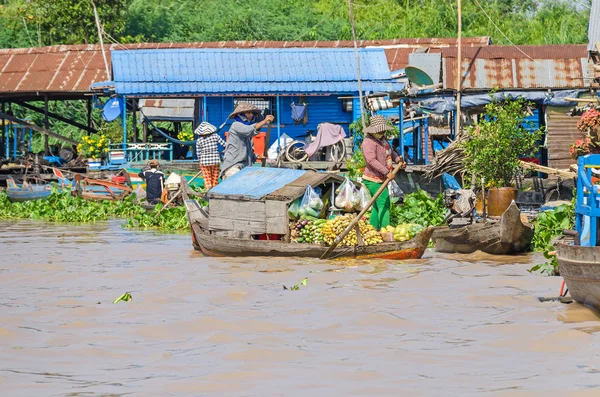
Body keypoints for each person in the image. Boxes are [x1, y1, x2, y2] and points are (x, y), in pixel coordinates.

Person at [362, 115, 406, 230]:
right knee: (384, 204)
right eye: (381, 130)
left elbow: (391, 153)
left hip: (382, 178)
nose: (383, 131)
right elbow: (371, 160)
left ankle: (372, 230)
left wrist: (398, 160)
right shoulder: (368, 142)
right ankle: (386, 230)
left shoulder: (383, 140)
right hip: (372, 179)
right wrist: (387, 172)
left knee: (377, 206)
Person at [221, 102, 274, 180]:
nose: (251, 115)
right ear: (241, 114)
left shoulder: (248, 136)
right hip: (233, 166)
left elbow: (248, 152)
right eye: (248, 113)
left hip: (244, 167)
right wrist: (264, 121)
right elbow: (248, 130)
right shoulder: (236, 125)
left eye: (252, 113)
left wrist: (259, 156)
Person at [195, 121, 225, 191]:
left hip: (204, 162)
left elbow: (198, 153)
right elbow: (224, 144)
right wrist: (223, 151)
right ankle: (215, 192)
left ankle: (208, 192)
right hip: (215, 160)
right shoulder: (215, 136)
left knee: (207, 180)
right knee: (215, 180)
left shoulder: (199, 140)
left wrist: (200, 161)